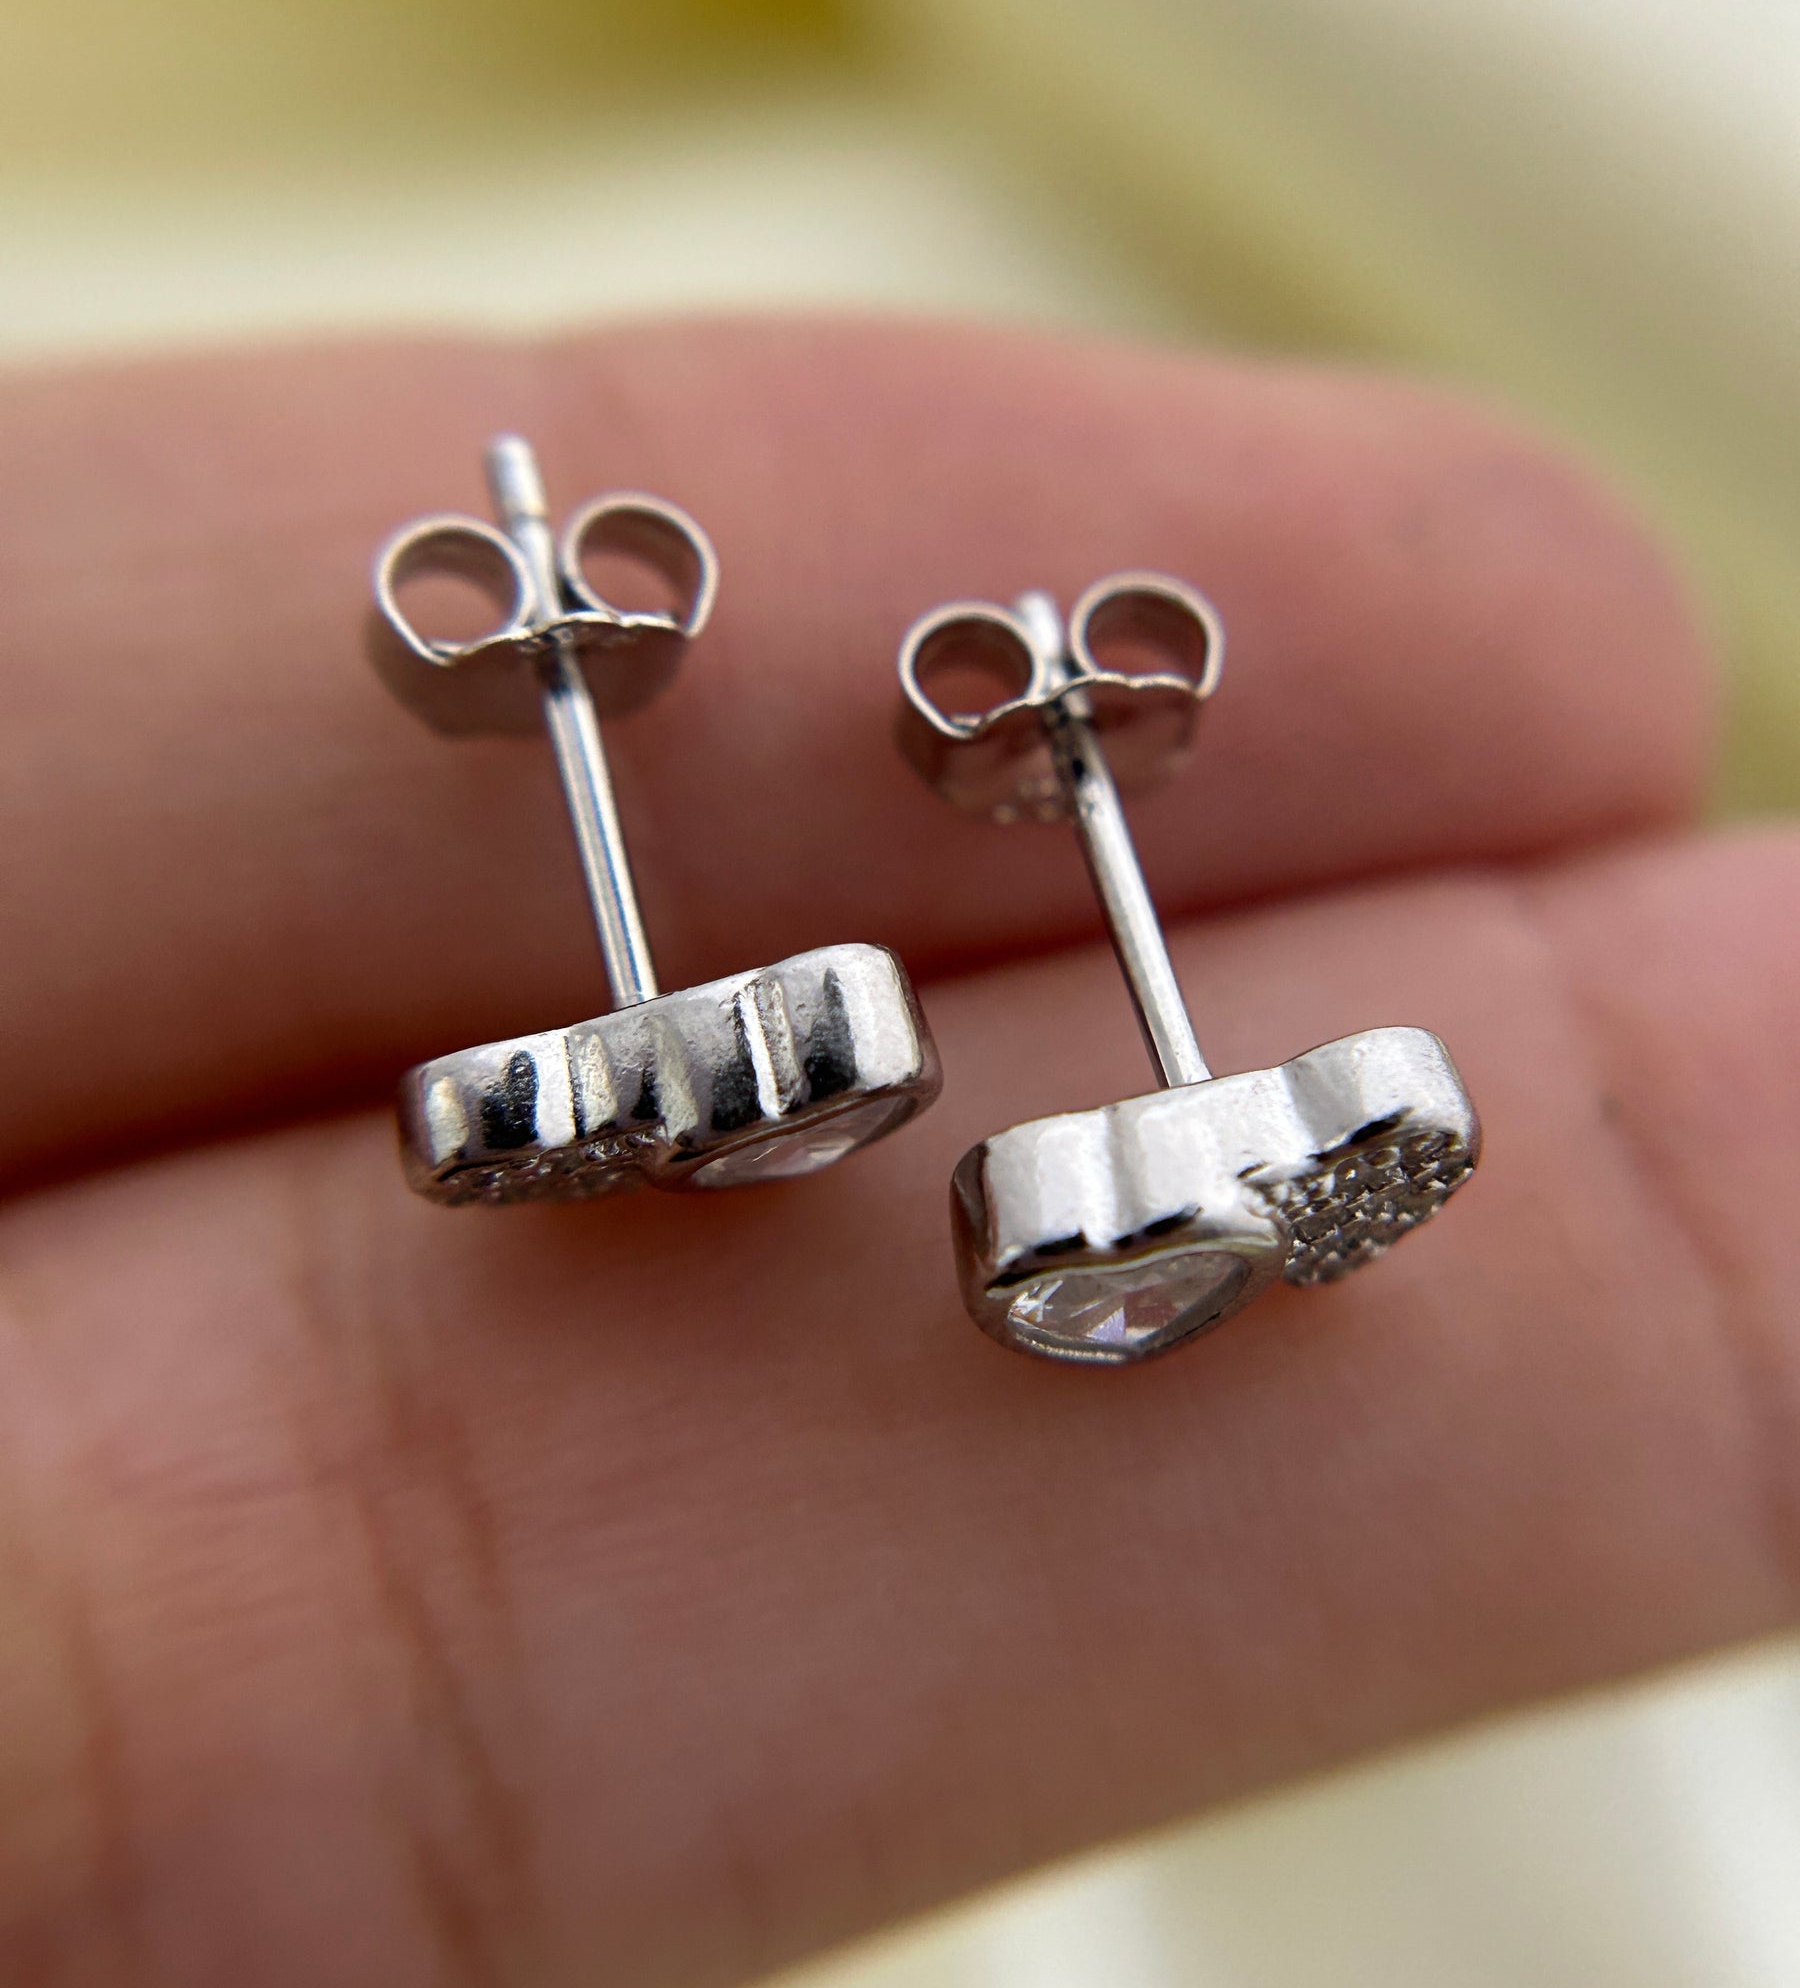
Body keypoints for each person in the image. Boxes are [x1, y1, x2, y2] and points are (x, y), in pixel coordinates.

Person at [0, 315, 1792, 1988]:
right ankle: (766, 1106)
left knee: (942, 1083)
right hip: (902, 1105)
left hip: (1045, 1131)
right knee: (781, 1058)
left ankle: (866, 1120)